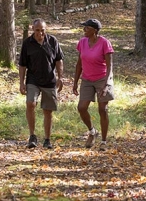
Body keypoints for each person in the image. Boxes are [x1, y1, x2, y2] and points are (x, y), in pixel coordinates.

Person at [18, 18, 64, 149]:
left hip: (49, 80)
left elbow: (59, 61)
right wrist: (21, 83)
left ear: (46, 30)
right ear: (33, 29)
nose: (40, 33)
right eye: (37, 30)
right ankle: (32, 136)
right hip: (33, 80)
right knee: (30, 103)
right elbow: (22, 65)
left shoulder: (53, 41)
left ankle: (47, 139)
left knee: (47, 110)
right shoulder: (28, 43)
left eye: (42, 31)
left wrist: (60, 77)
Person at [72, 18, 115, 150]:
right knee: (81, 107)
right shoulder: (82, 42)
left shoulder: (104, 43)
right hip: (87, 79)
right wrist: (75, 82)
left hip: (102, 78)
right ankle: (92, 131)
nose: (84, 30)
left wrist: (106, 84)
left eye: (87, 28)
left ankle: (103, 141)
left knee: (102, 109)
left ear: (95, 30)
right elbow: (79, 63)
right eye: (84, 27)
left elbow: (109, 66)